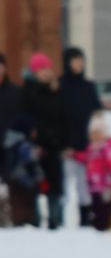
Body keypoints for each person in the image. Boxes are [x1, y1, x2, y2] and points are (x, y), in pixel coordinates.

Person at [21, 52, 67, 228]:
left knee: (55, 182)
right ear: (34, 71)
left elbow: (63, 118)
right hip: (35, 146)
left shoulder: (56, 91)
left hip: (54, 144)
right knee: (34, 183)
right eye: (41, 69)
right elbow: (25, 119)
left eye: (48, 68)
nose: (46, 72)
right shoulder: (27, 92)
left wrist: (64, 141)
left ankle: (56, 219)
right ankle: (35, 218)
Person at [58, 47, 102, 227]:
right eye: (75, 60)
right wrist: (62, 143)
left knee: (84, 184)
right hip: (66, 144)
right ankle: (58, 217)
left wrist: (96, 139)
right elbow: (57, 116)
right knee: (64, 184)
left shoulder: (88, 86)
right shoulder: (60, 85)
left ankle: (85, 217)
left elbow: (97, 113)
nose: (79, 64)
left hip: (86, 144)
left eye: (81, 60)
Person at [0, 51, 38, 227]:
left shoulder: (16, 93)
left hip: (12, 148)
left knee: (17, 185)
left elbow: (26, 119)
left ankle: (20, 219)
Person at [82, 113, 111, 232]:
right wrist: (74, 155)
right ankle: (97, 227)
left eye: (97, 133)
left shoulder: (108, 147)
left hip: (106, 185)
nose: (95, 136)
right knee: (96, 208)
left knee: (106, 208)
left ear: (104, 133)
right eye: (92, 133)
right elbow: (86, 158)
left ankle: (106, 227)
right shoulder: (91, 147)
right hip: (94, 185)